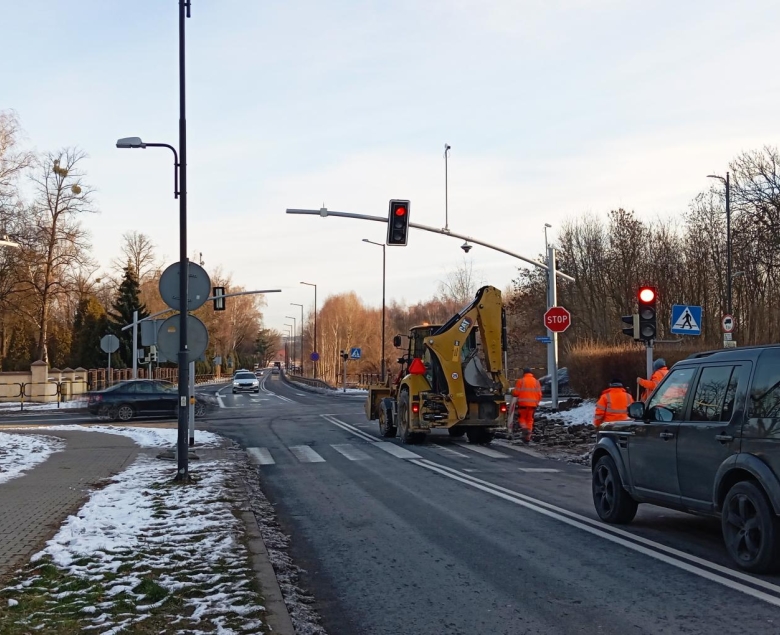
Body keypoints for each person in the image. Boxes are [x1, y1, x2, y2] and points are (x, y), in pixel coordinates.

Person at [512, 368, 542, 442]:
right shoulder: (536, 382)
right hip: (532, 405)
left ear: (524, 373)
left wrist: (512, 392)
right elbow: (539, 394)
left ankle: (524, 428)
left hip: (523, 405)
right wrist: (536, 403)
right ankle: (528, 437)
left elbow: (516, 393)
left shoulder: (521, 381)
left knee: (522, 418)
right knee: (530, 420)